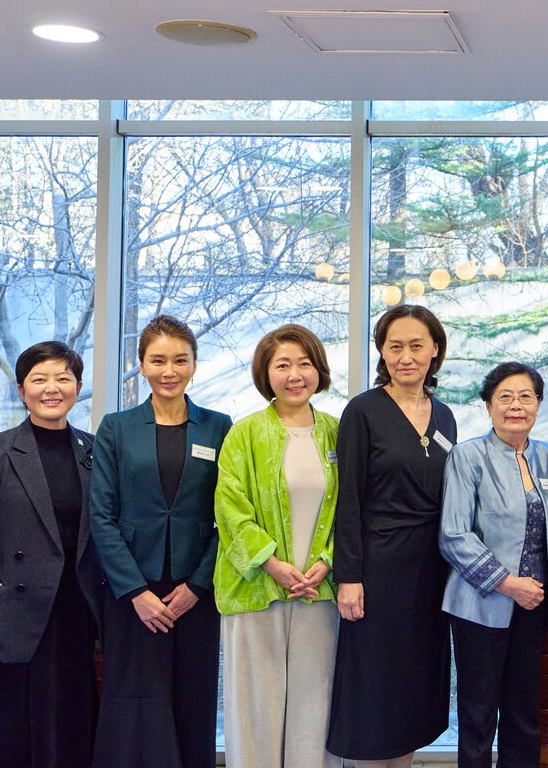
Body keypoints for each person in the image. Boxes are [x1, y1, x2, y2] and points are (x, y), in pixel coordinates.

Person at [0, 340, 104, 767]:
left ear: (78, 386)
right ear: (22, 389)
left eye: (63, 378)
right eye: (40, 379)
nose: (52, 388)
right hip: (7, 614)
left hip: (75, 611)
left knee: (68, 726)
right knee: (4, 733)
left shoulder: (95, 452)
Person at [89, 314, 232, 768]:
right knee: (133, 702)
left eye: (180, 360)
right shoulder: (117, 427)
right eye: (158, 360)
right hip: (133, 592)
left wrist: (198, 586)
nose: (169, 370)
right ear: (142, 365)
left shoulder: (219, 426)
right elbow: (102, 515)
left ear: (194, 365)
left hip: (195, 591)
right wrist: (134, 591)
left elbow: (229, 518)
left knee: (193, 699)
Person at [327, 304, 458, 767]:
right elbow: (348, 500)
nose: (406, 356)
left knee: (414, 681)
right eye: (395, 346)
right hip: (378, 569)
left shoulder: (444, 416)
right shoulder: (361, 411)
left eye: (416, 345)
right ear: (382, 350)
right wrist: (349, 576)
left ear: (434, 350)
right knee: (375, 685)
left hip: (431, 570)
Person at [214, 324, 340, 767]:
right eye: (282, 365)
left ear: (318, 371)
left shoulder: (337, 432)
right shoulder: (244, 433)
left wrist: (327, 561)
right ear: (265, 373)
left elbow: (353, 510)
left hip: (319, 593)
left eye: (304, 364)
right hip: (256, 590)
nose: (294, 375)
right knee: (255, 708)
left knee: (315, 707)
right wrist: (271, 563)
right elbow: (230, 508)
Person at [440, 362, 548, 768]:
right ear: (489, 405)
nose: (516, 406)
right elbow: (453, 535)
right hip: (480, 604)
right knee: (478, 713)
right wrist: (508, 584)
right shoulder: (468, 456)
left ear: (538, 405)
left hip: (534, 605)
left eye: (526, 397)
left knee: (524, 711)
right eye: (505, 397)